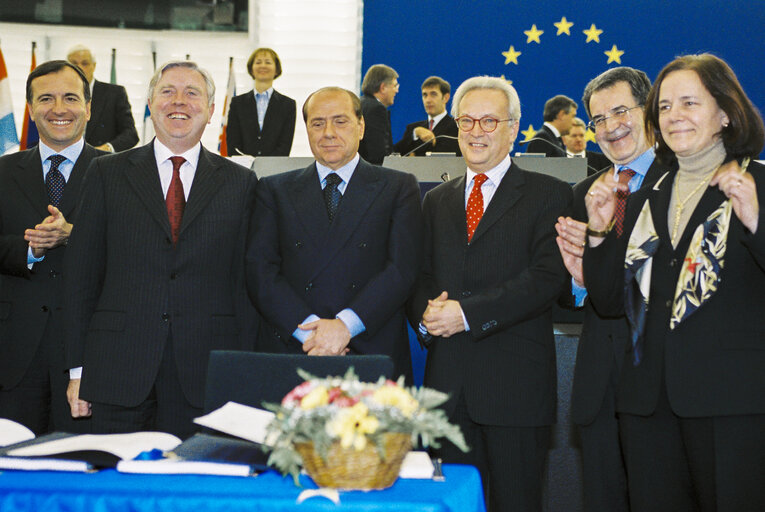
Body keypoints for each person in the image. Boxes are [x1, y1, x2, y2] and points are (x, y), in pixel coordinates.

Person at [583, 54, 765, 512]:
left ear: (725, 112)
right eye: (664, 107)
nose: (674, 116)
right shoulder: (645, 194)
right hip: (647, 404)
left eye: (689, 102)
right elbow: (608, 302)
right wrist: (599, 232)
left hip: (732, 404)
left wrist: (758, 223)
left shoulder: (756, 182)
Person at [63, 61, 258, 439]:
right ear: (150, 103)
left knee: (191, 493)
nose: (178, 102)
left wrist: (244, 374)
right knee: (116, 493)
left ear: (212, 109)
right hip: (115, 373)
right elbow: (81, 277)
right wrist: (77, 372)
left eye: (192, 93)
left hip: (205, 375)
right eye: (167, 91)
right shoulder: (106, 173)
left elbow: (247, 287)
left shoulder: (242, 183)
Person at [409, 76, 572, 512]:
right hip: (446, 394)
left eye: (489, 121)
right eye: (467, 121)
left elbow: (546, 280)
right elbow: (419, 277)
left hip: (514, 393)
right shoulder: (436, 201)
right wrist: (425, 315)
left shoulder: (550, 194)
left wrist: (466, 313)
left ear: (514, 127)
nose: (476, 131)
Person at [247, 86, 422, 383]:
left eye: (340, 121)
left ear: (361, 127)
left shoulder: (398, 187)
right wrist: (312, 330)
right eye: (318, 123)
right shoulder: (274, 189)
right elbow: (260, 271)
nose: (328, 132)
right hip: (297, 347)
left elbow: (402, 270)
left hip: (369, 348)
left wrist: (345, 327)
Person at [555, 66, 663, 512]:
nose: (610, 126)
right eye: (598, 119)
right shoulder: (582, 192)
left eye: (621, 111)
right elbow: (566, 294)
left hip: (663, 388)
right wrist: (580, 282)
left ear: (650, 111)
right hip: (600, 388)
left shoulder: (684, 183)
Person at [0, 60, 105, 435]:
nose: (58, 109)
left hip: (89, 354)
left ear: (88, 107)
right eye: (46, 98)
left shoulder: (120, 172)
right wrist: (32, 249)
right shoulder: (2, 172)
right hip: (13, 355)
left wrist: (73, 233)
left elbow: (135, 250)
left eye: (70, 98)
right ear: (30, 108)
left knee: (81, 469)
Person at [66, 45, 139, 152]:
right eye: (74, 63)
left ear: (94, 66)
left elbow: (131, 135)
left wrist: (106, 149)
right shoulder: (58, 94)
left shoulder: (114, 93)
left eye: (85, 63)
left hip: (103, 162)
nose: (79, 67)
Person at [226, 47, 296, 157]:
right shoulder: (237, 103)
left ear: (276, 69)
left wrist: (265, 166)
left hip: (275, 169)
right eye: (258, 62)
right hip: (242, 168)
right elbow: (232, 143)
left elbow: (285, 145)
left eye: (268, 62)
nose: (263, 66)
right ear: (251, 69)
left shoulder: (288, 105)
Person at [393, 76, 460, 156]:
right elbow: (395, 154)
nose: (428, 100)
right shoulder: (413, 129)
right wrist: (415, 133)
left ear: (445, 98)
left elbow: (449, 154)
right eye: (425, 95)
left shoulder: (456, 126)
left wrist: (415, 154)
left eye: (433, 94)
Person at [358, 64, 398, 165]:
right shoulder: (377, 109)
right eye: (394, 85)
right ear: (383, 87)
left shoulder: (360, 103)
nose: (396, 90)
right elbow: (378, 153)